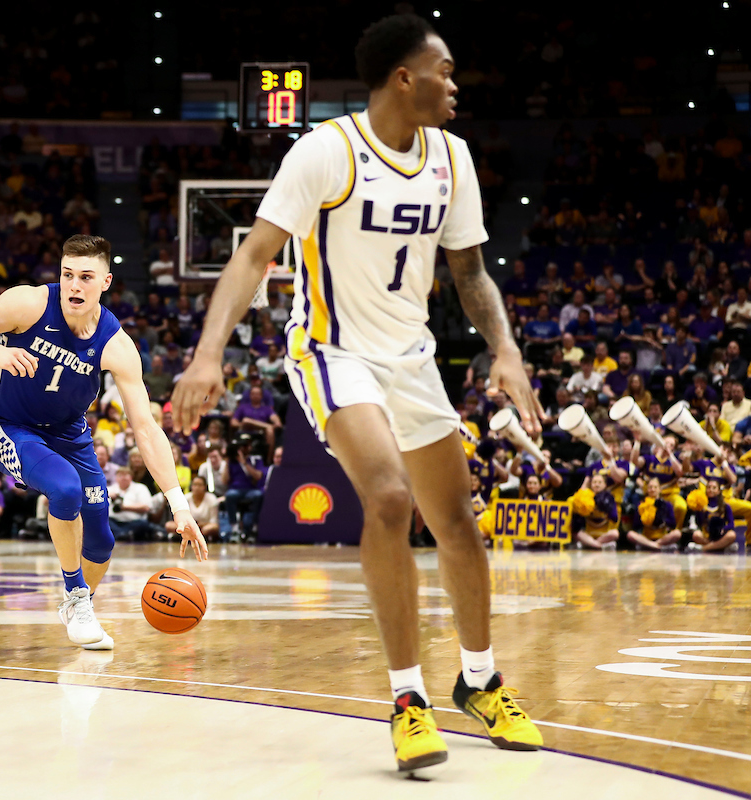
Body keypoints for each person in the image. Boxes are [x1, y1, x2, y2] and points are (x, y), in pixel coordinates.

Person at [171, 14, 541, 771]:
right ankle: (408, 701)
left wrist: (505, 349)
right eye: (444, 70)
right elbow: (253, 256)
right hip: (331, 350)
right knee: (389, 499)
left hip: (412, 357)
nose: (455, 84)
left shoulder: (453, 158)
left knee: (457, 523)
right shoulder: (326, 151)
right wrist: (207, 356)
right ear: (405, 78)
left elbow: (471, 273)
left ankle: (480, 681)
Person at [0, 233, 206, 651]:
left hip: (70, 433)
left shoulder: (116, 344)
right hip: (9, 424)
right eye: (67, 274)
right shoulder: (30, 304)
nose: (74, 285)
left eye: (86, 277)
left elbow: (145, 427)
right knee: (65, 490)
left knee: (101, 542)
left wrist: (179, 506)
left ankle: (76, 603)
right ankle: (77, 596)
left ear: (106, 281)